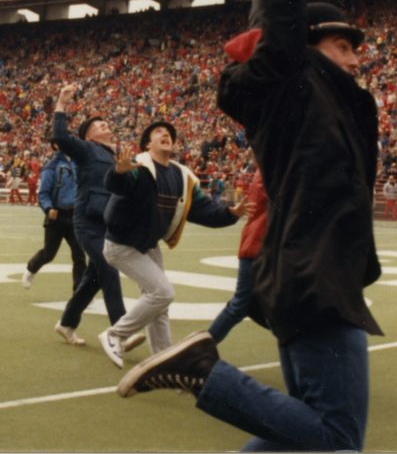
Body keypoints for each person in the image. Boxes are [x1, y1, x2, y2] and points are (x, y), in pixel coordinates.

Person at [117, 0, 383, 453]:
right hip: (314, 277)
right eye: (344, 46)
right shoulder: (294, 80)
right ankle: (208, 372)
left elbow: (271, 22)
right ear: (309, 44)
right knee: (337, 440)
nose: (354, 59)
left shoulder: (303, 90)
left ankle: (208, 373)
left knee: (301, 439)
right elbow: (282, 14)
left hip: (311, 274)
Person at [98, 120, 246, 367]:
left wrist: (231, 213)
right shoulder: (139, 166)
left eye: (169, 133)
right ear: (148, 143)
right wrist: (117, 173)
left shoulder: (182, 176)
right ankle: (115, 334)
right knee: (162, 292)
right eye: (158, 132)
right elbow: (118, 185)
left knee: (160, 304)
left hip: (147, 245)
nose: (165, 134)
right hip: (121, 245)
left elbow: (203, 209)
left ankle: (162, 360)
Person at [49, 83, 126, 347]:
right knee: (109, 269)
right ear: (88, 136)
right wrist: (62, 102)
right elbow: (60, 136)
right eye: (98, 124)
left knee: (93, 279)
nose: (104, 125)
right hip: (89, 223)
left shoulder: (115, 155)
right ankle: (121, 331)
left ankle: (66, 323)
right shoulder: (85, 149)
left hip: (108, 224)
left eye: (105, 123)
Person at [208, 167, 268, 344]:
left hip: (259, 244)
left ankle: (202, 347)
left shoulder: (269, 167)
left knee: (243, 305)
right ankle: (202, 348)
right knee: (240, 305)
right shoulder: (272, 169)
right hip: (259, 245)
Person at [22, 143, 86, 291]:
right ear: (57, 145)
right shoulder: (51, 167)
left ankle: (79, 292)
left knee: (79, 255)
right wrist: (49, 208)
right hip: (56, 215)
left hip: (75, 215)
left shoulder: (78, 163)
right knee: (49, 254)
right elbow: (43, 193)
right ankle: (31, 269)